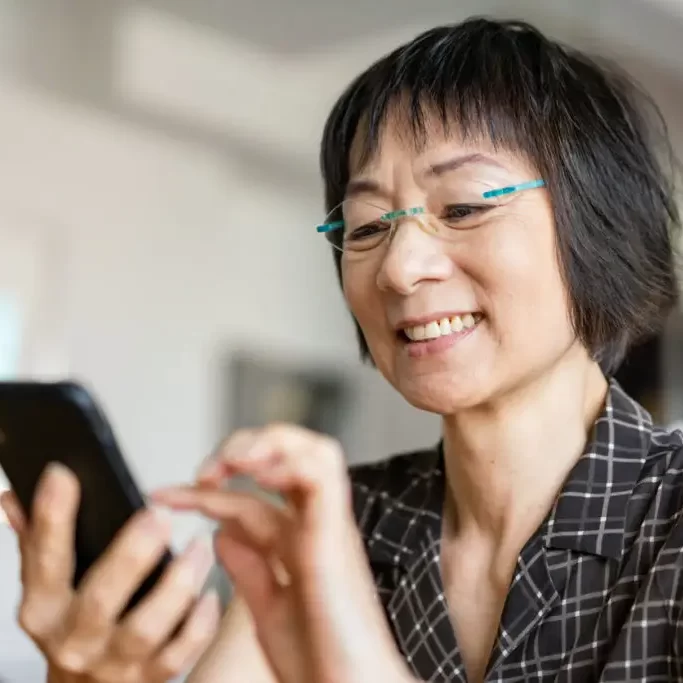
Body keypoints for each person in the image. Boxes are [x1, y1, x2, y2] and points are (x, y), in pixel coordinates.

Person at [1, 16, 682, 683]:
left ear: (599, 222)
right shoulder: (339, 525)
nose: (397, 265)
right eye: (364, 226)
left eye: (464, 207)